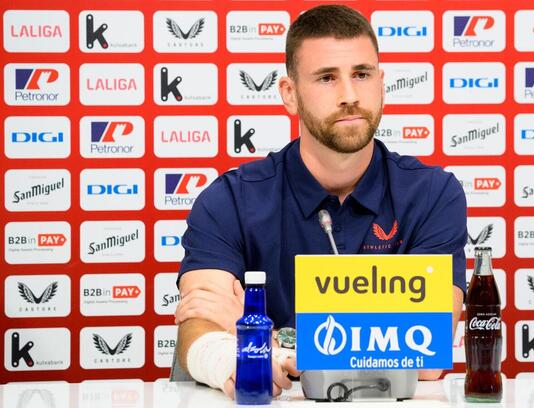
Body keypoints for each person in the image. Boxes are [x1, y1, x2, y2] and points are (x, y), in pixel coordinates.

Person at [174, 4, 467, 399]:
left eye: (361, 75)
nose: (350, 96)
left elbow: (427, 358)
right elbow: (200, 327)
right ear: (289, 94)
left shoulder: (433, 194)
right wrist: (225, 355)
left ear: (381, 83)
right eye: (327, 78)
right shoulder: (229, 199)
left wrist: (269, 341)